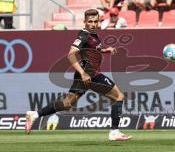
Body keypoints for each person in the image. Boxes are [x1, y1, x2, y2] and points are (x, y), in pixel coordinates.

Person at [25, 9, 132, 141]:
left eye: (95, 21)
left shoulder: (93, 35)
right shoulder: (84, 35)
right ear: (85, 22)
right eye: (90, 22)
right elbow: (71, 54)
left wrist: (105, 50)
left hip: (85, 74)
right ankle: (114, 132)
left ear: (98, 22)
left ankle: (34, 114)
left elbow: (93, 49)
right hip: (90, 74)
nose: (93, 24)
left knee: (68, 103)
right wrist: (83, 73)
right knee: (118, 97)